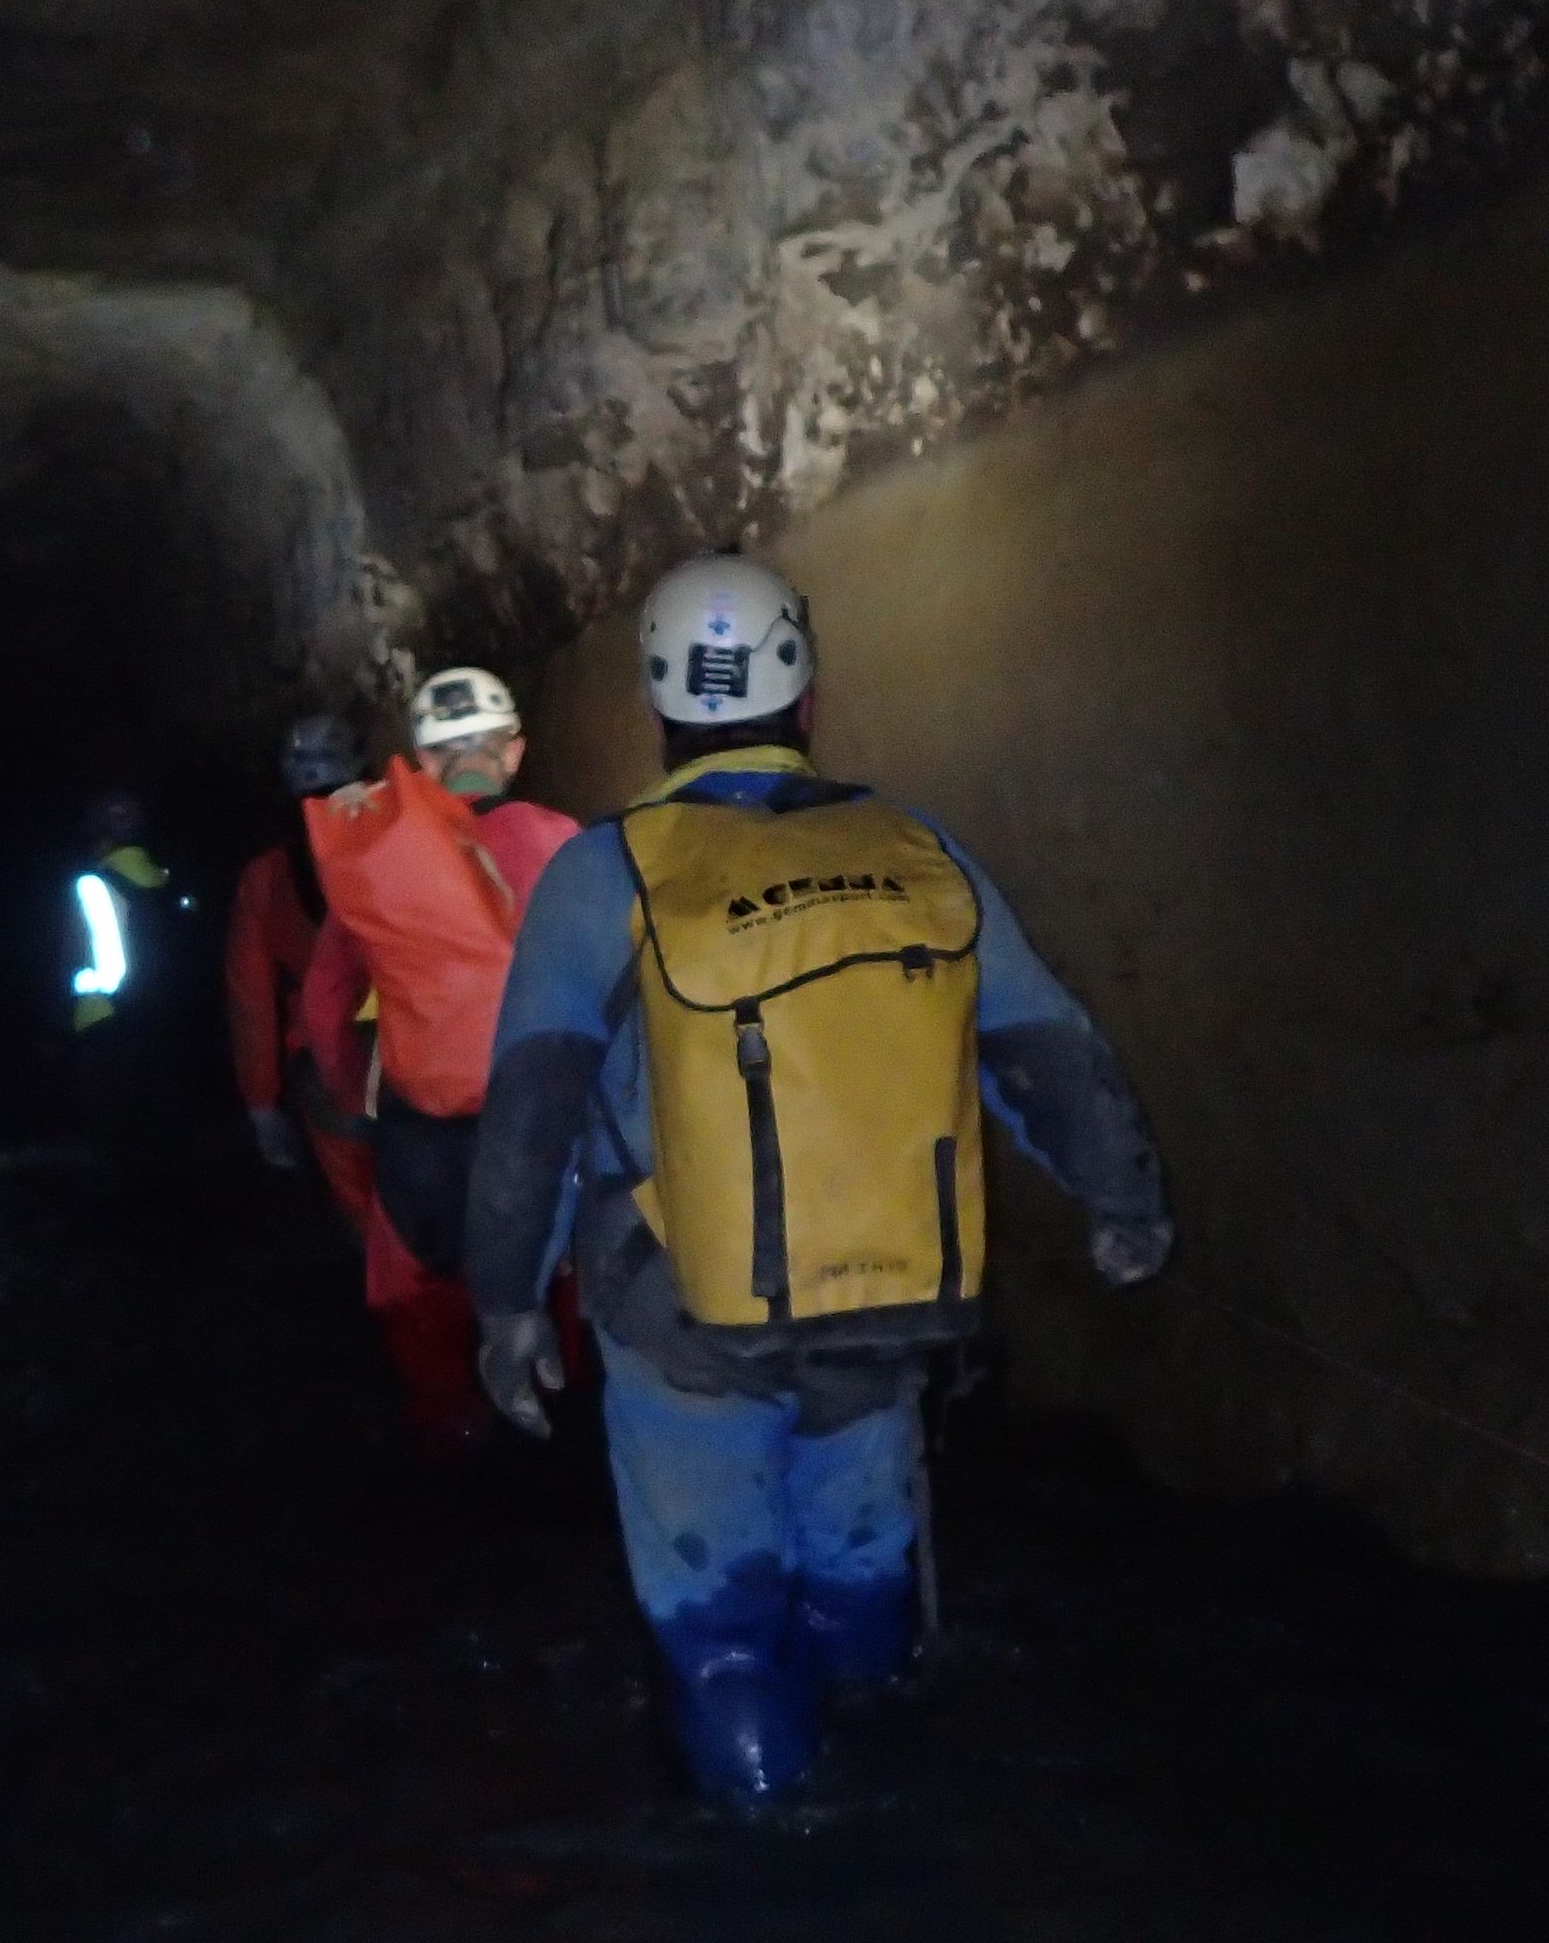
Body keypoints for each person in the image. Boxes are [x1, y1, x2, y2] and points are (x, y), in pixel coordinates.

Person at [463, 551, 1174, 1805]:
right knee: (862, 1587)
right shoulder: (912, 846)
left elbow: (531, 1112)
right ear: (807, 698)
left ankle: (769, 1875)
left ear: (658, 706)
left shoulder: (603, 875)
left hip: (679, 1315)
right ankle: (899, 1825)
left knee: (725, 1630)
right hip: (887, 1302)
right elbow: (1043, 1052)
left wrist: (505, 1305)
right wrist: (1123, 1204)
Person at [301, 667, 581, 1453]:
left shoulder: (382, 856)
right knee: (554, 1274)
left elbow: (325, 999)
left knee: (413, 1293)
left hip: (419, 1127)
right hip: (537, 1120)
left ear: (420, 765)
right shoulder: (561, 840)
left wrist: (352, 1100)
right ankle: (560, 1440)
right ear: (514, 753)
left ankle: (449, 1431)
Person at [228, 713, 371, 1225]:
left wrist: (262, 1101)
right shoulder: (409, 837)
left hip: (326, 1069)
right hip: (418, 1058)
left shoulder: (267, 877)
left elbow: (252, 999)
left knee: (366, 1224)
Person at [64, 786, 193, 1155]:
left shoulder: (93, 883)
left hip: (103, 1017)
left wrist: (79, 989)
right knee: (160, 1130)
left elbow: (95, 957)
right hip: (163, 1015)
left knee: (113, 1135)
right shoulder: (167, 883)